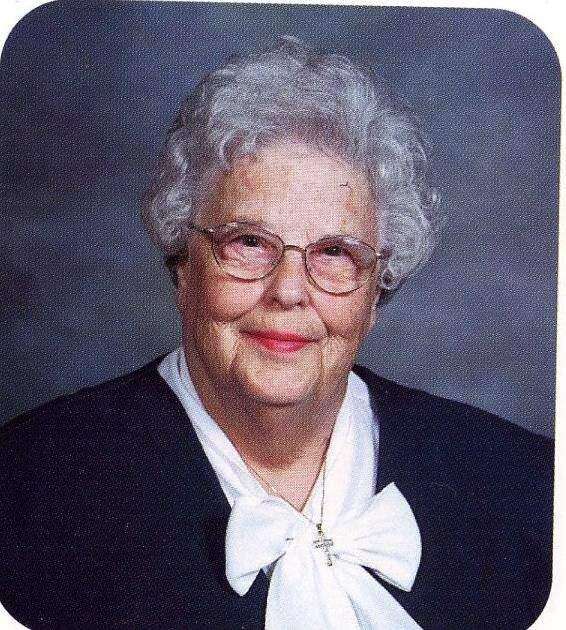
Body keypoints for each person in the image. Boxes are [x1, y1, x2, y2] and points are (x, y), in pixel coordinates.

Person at [0, 38, 552, 630]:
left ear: (375, 291)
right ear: (183, 265)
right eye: (248, 242)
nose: (288, 291)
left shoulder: (527, 488)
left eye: (335, 252)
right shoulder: (26, 491)